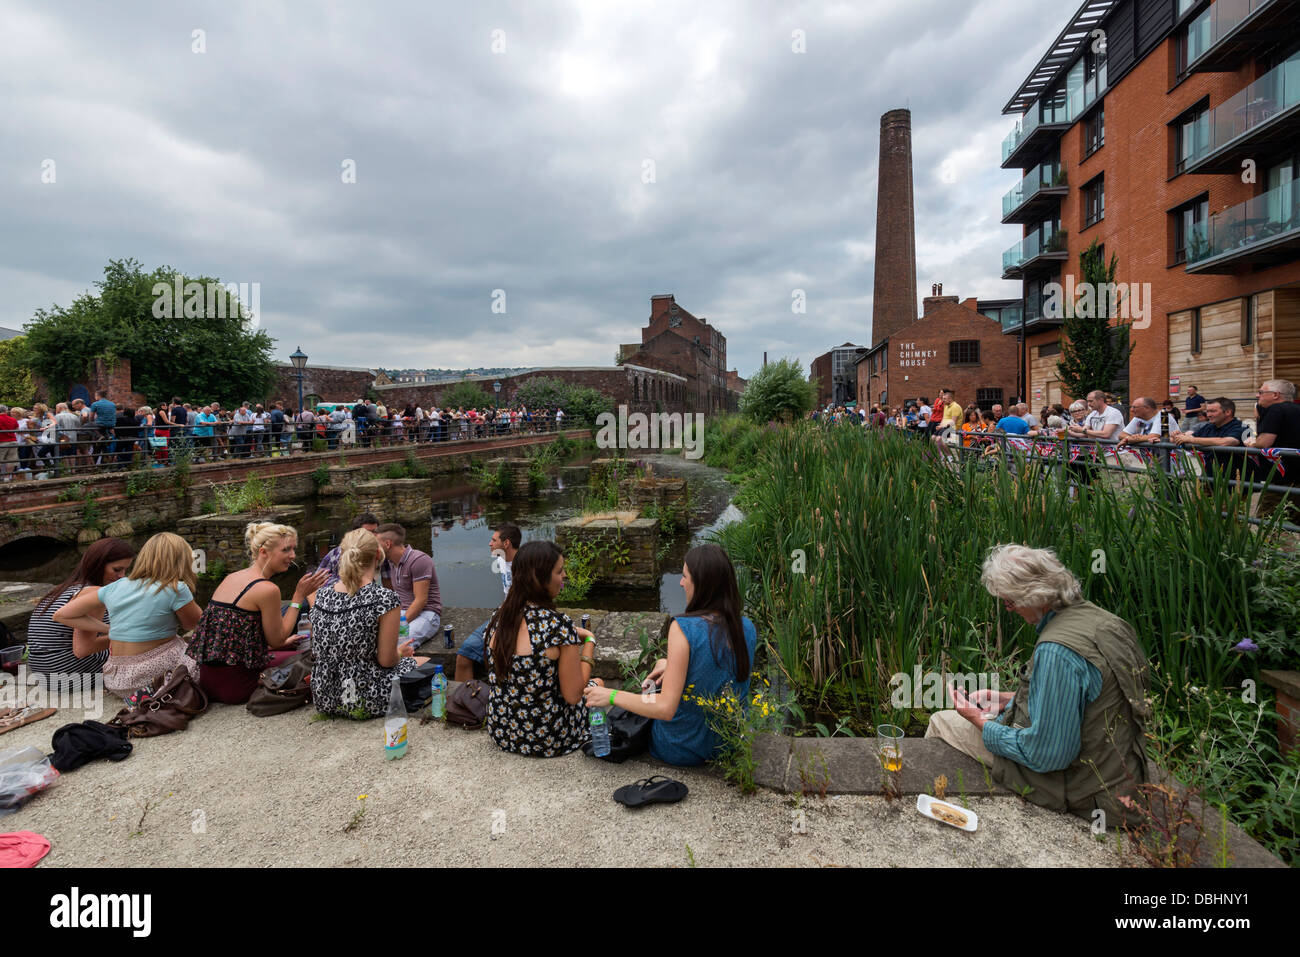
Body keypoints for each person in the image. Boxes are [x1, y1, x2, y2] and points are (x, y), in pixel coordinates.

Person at [924, 544, 1150, 825]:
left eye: (1009, 602)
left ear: (1031, 596)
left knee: (941, 721)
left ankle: (937, 808)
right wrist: (1009, 699)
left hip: (1085, 789)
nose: (1009, 609)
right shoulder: (1104, 621)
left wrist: (980, 721)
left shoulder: (1057, 650)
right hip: (1121, 773)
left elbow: (1047, 755)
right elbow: (1088, 700)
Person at [584, 544, 758, 766]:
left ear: (702, 585)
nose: (681, 582)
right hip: (728, 744)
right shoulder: (747, 627)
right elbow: (715, 667)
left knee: (642, 707)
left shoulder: (684, 627)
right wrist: (670, 664)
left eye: (685, 576)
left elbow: (666, 708)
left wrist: (609, 695)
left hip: (681, 748)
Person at [187, 523, 329, 704]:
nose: (292, 556)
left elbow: (231, 639)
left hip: (209, 680)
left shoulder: (232, 577)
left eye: (293, 549)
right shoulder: (267, 589)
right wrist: (299, 595)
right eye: (286, 550)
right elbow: (276, 640)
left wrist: (281, 644)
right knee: (317, 660)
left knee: (295, 648)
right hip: (238, 685)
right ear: (263, 552)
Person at [53, 532, 203, 701]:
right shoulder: (176, 588)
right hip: (151, 677)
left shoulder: (116, 586)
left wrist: (112, 630)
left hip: (117, 681)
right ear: (183, 561)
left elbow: (61, 614)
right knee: (189, 648)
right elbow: (195, 625)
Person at [485, 541, 594, 757]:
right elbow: (573, 696)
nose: (564, 576)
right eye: (559, 571)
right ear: (539, 579)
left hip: (503, 730)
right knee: (595, 686)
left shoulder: (499, 617)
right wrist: (589, 641)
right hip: (548, 738)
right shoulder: (557, 626)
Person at [310, 528, 426, 718]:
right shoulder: (384, 599)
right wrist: (400, 653)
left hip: (325, 695)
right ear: (378, 555)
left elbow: (319, 647)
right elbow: (387, 661)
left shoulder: (322, 594)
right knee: (426, 664)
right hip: (365, 696)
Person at [27, 538, 135, 689]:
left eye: (125, 570)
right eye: (117, 570)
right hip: (68, 672)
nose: (122, 576)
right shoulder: (96, 593)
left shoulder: (66, 588)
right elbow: (83, 649)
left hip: (42, 670)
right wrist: (129, 635)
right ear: (98, 565)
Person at [454, 523, 520, 681]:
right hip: (503, 615)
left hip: (514, 620)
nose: (490, 544)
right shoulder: (503, 561)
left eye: (494, 540)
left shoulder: (523, 565)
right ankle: (462, 701)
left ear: (506, 543)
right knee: (463, 655)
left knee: (471, 653)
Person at [376, 523, 442, 642]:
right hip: (403, 612)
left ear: (387, 544)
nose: (374, 547)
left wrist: (398, 625)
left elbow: (421, 600)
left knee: (397, 641)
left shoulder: (419, 560)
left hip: (426, 614)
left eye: (376, 544)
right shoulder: (390, 562)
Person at [1249, 379, 1300, 519]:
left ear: (1275, 395)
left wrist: (1253, 444)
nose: (1258, 395)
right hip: (1296, 476)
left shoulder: (1276, 409)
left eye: (1261, 392)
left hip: (1280, 477)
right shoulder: (1297, 409)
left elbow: (1265, 442)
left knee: (1266, 523)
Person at [1170, 397, 1245, 479]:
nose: (1208, 415)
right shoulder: (1209, 426)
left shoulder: (1241, 427)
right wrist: (1178, 436)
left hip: (1236, 481)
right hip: (1210, 478)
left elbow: (1228, 441)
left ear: (1228, 412)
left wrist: (1190, 439)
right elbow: (1190, 437)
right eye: (1207, 411)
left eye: (1213, 411)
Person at [315, 513, 381, 592]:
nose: (372, 536)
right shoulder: (336, 553)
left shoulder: (381, 551)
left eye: (375, 531)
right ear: (355, 533)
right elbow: (317, 582)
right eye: (367, 532)